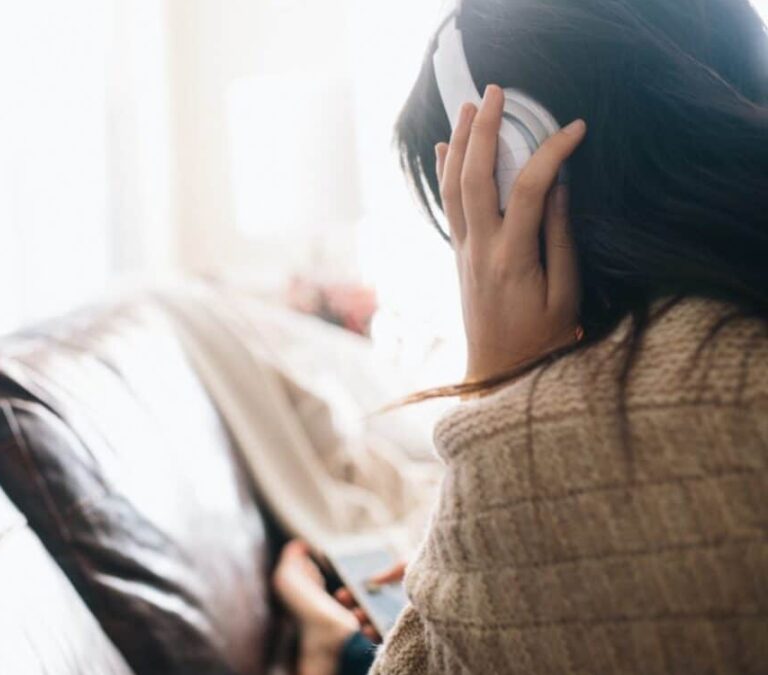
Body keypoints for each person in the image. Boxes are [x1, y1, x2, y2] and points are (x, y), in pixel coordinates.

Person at [272, 0, 768, 673]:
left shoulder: (552, 438)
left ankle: (325, 639)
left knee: (362, 650)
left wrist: (503, 388)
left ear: (513, 168)